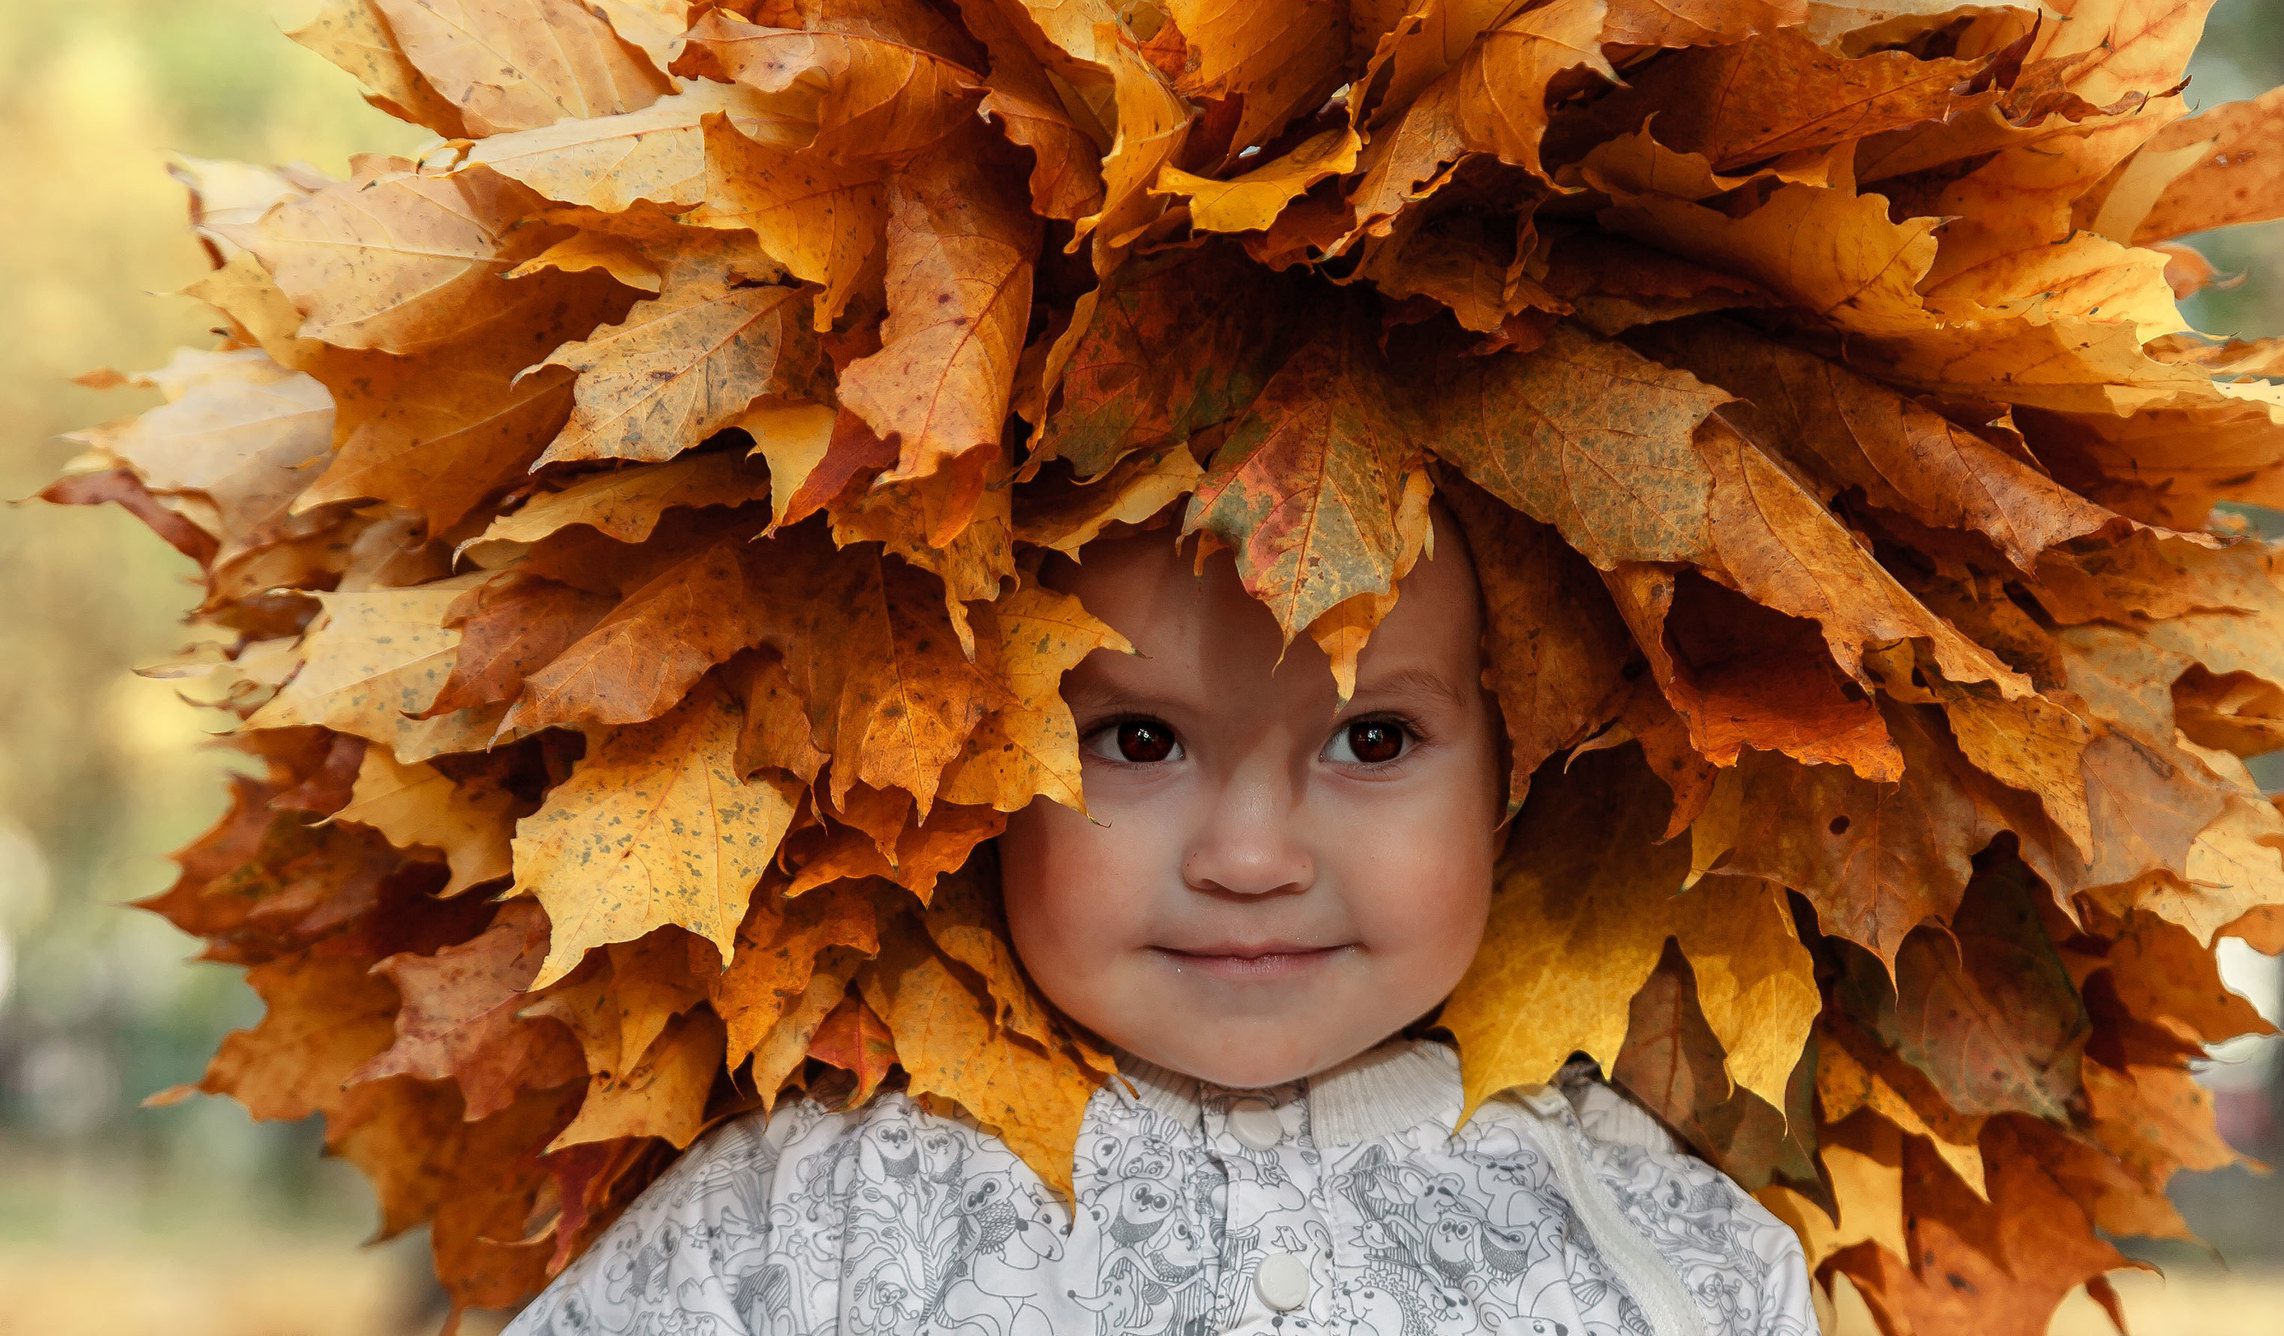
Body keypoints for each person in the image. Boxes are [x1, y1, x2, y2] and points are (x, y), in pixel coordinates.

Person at [504, 509, 1813, 1336]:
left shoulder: (1667, 1249)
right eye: (1136, 739)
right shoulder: (809, 1219)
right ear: (977, 763)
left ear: (1518, 773)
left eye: (1373, 736)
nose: (1251, 856)